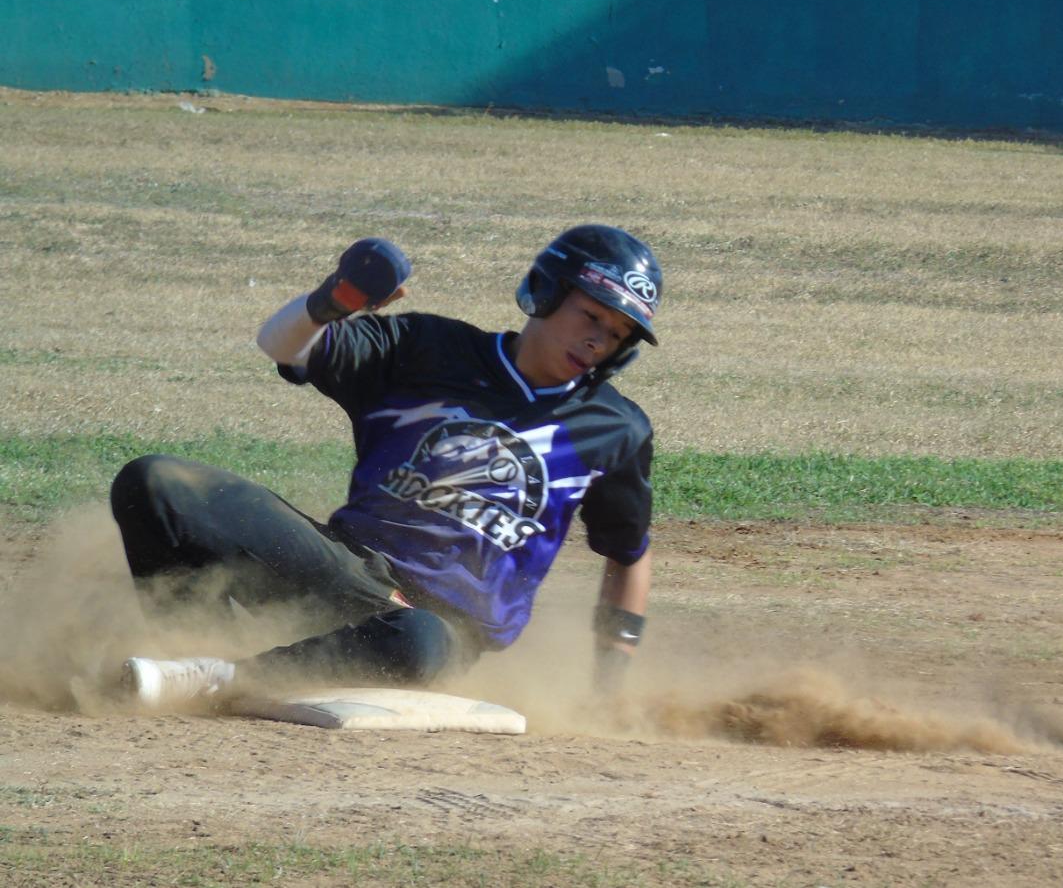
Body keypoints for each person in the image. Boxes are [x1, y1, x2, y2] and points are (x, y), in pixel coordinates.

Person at [112, 225, 662, 710]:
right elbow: (282, 346)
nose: (597, 339)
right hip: (343, 571)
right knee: (154, 484)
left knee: (416, 641)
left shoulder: (614, 428)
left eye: (615, 334)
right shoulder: (428, 348)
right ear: (545, 292)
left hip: (441, 628)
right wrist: (334, 300)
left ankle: (219, 681)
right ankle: (190, 650)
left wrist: (608, 683)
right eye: (590, 314)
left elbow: (628, 554)